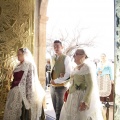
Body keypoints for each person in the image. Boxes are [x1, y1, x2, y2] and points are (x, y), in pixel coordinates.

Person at [60, 49, 103, 120]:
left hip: (80, 97)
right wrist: (67, 89)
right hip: (72, 96)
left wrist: (85, 101)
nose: (73, 56)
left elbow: (90, 85)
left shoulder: (86, 68)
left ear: (83, 56)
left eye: (76, 54)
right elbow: (72, 82)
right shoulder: (76, 68)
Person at [3, 48, 45, 120]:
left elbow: (30, 81)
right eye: (17, 54)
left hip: (24, 93)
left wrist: (28, 96)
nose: (17, 56)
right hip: (15, 92)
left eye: (19, 54)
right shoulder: (17, 66)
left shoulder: (29, 64)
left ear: (24, 55)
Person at [50, 40, 72, 120]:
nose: (56, 48)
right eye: (54, 47)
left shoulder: (66, 58)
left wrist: (56, 81)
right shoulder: (53, 58)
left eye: (58, 46)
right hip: (52, 87)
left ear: (62, 47)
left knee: (60, 110)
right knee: (55, 109)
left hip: (62, 87)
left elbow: (68, 74)